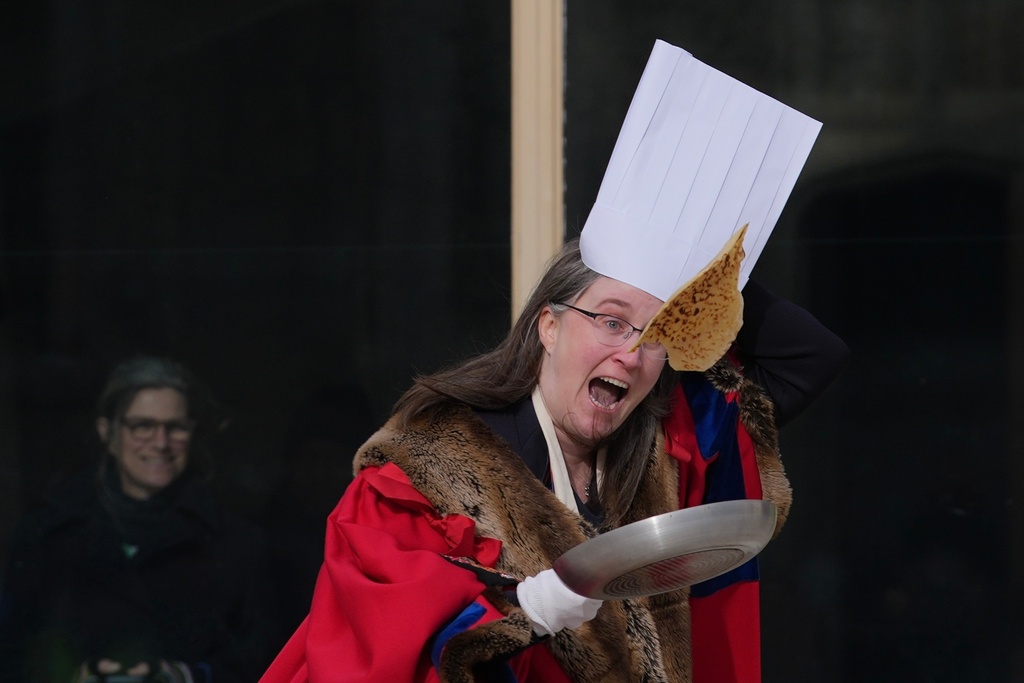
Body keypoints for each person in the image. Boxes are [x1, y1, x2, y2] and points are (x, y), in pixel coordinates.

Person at [258, 236, 848, 682]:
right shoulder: (424, 476)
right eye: (612, 322)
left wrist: (688, 248)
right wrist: (526, 610)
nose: (631, 354)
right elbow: (380, 647)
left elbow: (808, 358)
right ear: (549, 326)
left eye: (653, 336)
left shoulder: (669, 450)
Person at [0, 357, 279, 683]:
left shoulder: (237, 545)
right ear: (108, 431)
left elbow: (264, 661)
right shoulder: (46, 537)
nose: (160, 443)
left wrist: (184, 676)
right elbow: (12, 654)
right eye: (142, 426)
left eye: (175, 428)